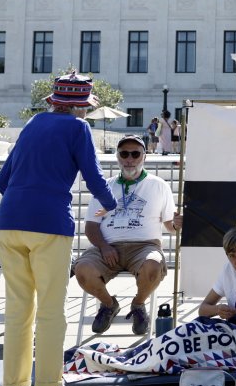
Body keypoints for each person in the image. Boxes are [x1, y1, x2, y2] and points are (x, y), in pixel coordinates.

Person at [0, 72, 118, 386]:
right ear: (81, 107)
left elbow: (2, 180)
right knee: (51, 309)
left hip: (9, 223)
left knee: (18, 309)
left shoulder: (34, 123)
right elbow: (93, 175)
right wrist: (111, 203)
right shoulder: (78, 129)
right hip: (50, 223)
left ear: (53, 101)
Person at [73, 135, 182, 336]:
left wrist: (176, 224)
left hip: (144, 246)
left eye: (135, 154)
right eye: (124, 154)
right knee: (81, 270)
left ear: (144, 157)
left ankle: (138, 305)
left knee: (153, 265)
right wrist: (104, 247)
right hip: (107, 246)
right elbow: (91, 226)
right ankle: (108, 305)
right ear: (118, 157)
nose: (129, 159)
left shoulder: (159, 185)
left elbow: (169, 225)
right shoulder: (106, 186)